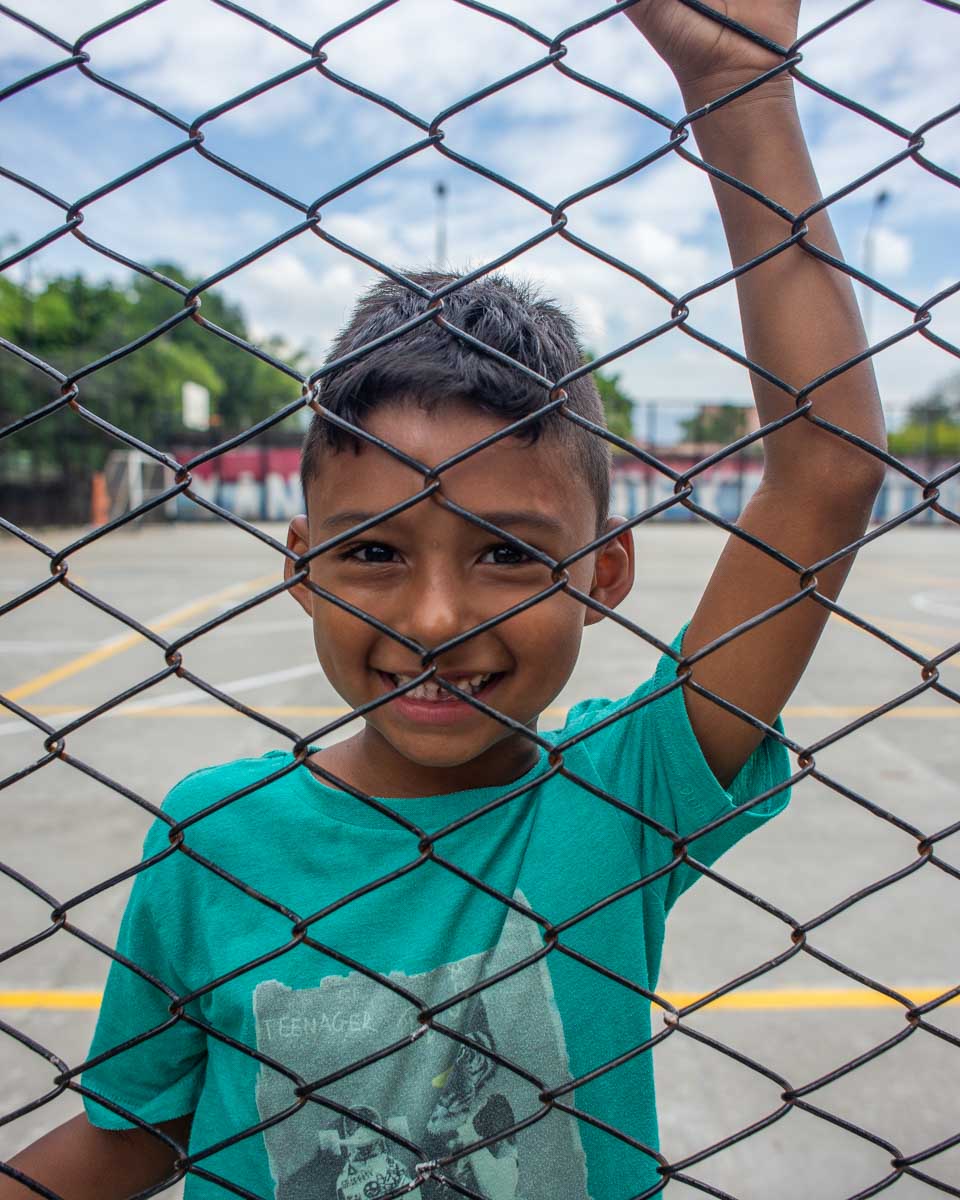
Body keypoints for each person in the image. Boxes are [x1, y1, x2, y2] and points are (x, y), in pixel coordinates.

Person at [0, 1, 886, 1197]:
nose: (432, 621)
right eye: (373, 556)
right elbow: (144, 1127)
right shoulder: (212, 838)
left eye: (508, 556)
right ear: (301, 560)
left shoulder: (621, 796)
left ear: (604, 574)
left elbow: (826, 468)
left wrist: (744, 91)